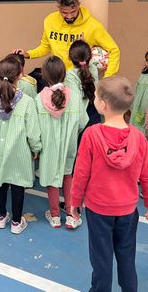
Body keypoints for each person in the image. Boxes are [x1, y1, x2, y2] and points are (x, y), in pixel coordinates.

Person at [71, 76, 148, 292]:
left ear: (102, 105)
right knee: (126, 255)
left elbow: (81, 173)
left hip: (98, 209)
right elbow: (146, 174)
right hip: (127, 209)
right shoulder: (139, 137)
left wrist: (74, 202)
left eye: (95, 96)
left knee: (101, 258)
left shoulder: (91, 134)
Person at [0, 55, 41, 234]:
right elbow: (32, 132)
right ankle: (16, 222)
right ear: (20, 75)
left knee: (0, 182)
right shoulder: (27, 102)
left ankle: (0, 217)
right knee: (17, 185)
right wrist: (36, 148)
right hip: (18, 151)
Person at [14, 0, 120, 78]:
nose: (69, 16)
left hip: (79, 79)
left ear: (78, 5)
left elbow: (114, 50)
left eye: (73, 12)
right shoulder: (49, 21)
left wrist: (108, 78)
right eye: (64, 13)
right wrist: (28, 54)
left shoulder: (93, 26)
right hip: (57, 75)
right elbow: (45, 47)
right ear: (58, 8)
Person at [36, 56, 88, 229]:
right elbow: (82, 122)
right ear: (64, 74)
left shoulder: (39, 99)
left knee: (52, 177)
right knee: (67, 175)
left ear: (44, 75)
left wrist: (36, 145)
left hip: (48, 147)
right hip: (69, 145)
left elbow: (34, 127)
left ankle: (55, 216)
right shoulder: (73, 97)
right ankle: (72, 215)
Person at [65, 39, 101, 135]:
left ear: (69, 57)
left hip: (81, 119)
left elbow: (76, 102)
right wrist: (83, 48)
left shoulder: (69, 76)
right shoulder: (93, 69)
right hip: (95, 114)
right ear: (90, 56)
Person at [131, 50, 148, 137]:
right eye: (146, 60)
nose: (146, 63)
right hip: (139, 112)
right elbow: (136, 93)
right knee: (137, 135)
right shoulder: (143, 76)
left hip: (145, 113)